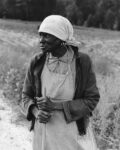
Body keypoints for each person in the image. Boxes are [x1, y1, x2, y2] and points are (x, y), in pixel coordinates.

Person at [21, 15, 100, 150]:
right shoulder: (37, 61)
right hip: (44, 131)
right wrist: (35, 112)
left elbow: (91, 100)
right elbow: (25, 96)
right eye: (40, 35)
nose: (41, 41)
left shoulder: (82, 62)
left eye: (47, 36)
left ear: (61, 38)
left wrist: (55, 105)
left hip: (72, 133)